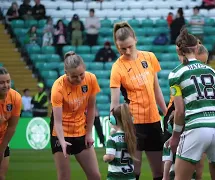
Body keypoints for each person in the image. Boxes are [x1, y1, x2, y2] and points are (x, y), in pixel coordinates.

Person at [168, 28, 215, 180]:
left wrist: (175, 136)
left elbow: (180, 111)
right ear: (196, 48)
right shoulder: (210, 70)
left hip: (197, 127)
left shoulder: (175, 74)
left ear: (178, 50)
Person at [110, 22, 167, 180]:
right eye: (122, 48)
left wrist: (166, 113)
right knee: (134, 172)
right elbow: (114, 102)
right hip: (133, 124)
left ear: (135, 39)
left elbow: (156, 90)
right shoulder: (117, 68)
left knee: (159, 173)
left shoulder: (149, 57)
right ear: (117, 46)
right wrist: (114, 126)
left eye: (129, 46)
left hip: (154, 121)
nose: (127, 51)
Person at [50, 51, 101, 180]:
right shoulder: (58, 87)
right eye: (74, 76)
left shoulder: (91, 79)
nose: (78, 79)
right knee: (64, 177)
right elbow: (57, 120)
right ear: (66, 73)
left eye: (81, 74)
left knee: (95, 176)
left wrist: (89, 133)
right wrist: (61, 141)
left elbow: (91, 108)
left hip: (80, 129)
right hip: (61, 132)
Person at [163, 42, 209, 180]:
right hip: (178, 119)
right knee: (175, 165)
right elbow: (179, 108)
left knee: (199, 165)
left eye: (205, 63)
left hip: (195, 120)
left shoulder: (207, 76)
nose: (201, 67)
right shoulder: (180, 75)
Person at [103, 103, 136, 180]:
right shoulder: (131, 137)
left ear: (113, 120)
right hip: (130, 176)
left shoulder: (112, 139)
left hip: (115, 177)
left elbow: (110, 157)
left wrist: (105, 158)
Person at [0, 67, 22, 180]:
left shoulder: (15, 97)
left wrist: (2, 149)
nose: (6, 85)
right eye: (2, 82)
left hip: (2, 139)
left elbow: (12, 127)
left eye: (8, 81)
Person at [163, 112, 196, 180]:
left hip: (175, 170)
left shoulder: (168, 143)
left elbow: (168, 162)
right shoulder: (192, 140)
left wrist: (165, 177)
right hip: (190, 170)